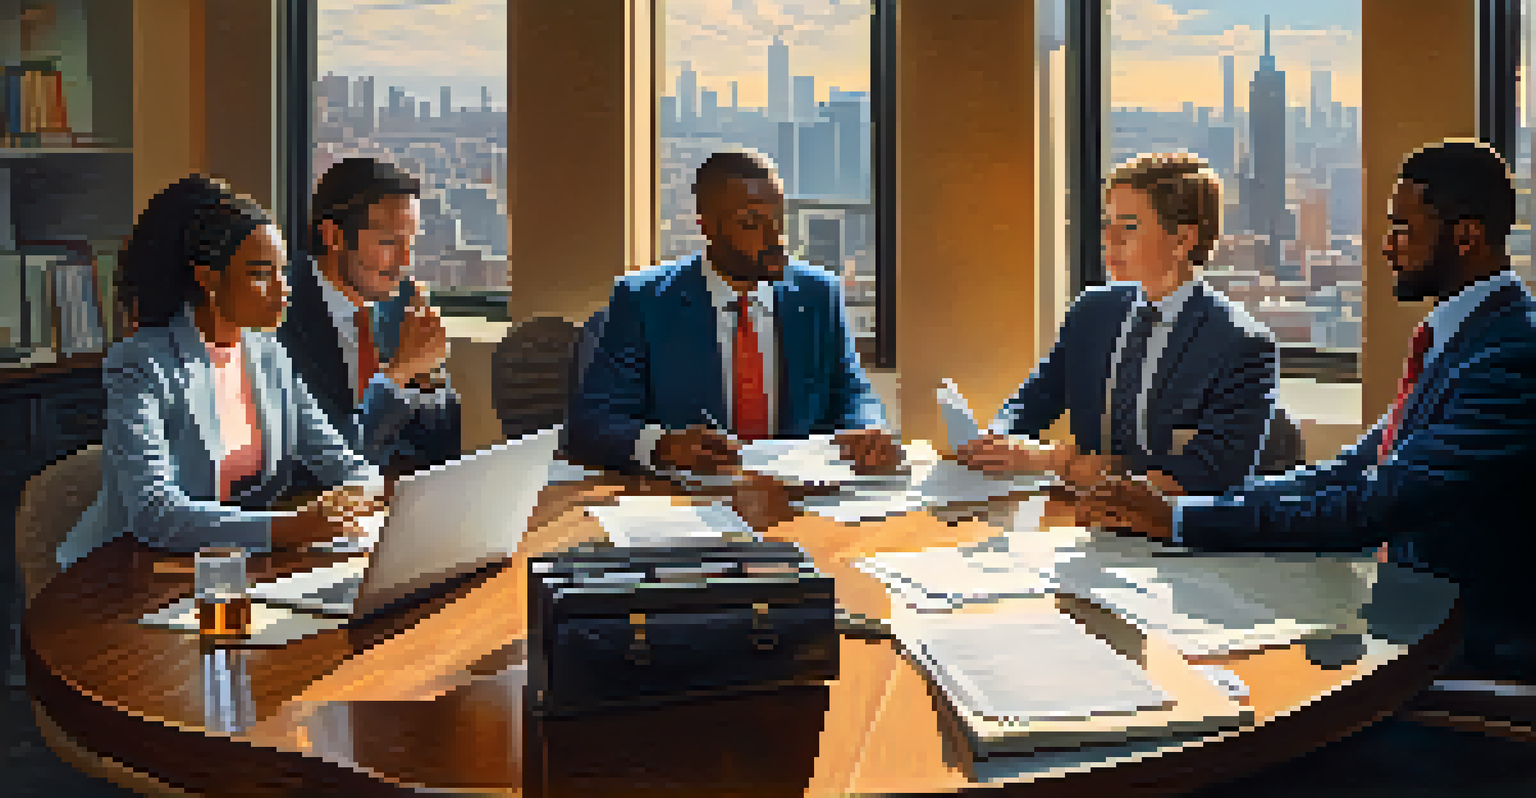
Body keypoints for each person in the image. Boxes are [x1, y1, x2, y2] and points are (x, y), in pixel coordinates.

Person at [1059, 139, 1536, 678]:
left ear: (1466, 236)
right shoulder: (1463, 338)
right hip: (1400, 619)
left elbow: (1377, 504)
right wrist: (1187, 510)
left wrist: (1179, 518)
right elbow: (1352, 469)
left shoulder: (1512, 355)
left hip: (1458, 656)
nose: (1386, 247)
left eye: (1403, 228)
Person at [63, 175, 384, 559]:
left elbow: (346, 464)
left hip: (226, 564)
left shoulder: (270, 356)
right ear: (208, 279)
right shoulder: (141, 363)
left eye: (283, 272)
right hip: (124, 569)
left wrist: (357, 494)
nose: (283, 290)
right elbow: (155, 514)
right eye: (261, 274)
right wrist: (291, 527)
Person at [957, 152, 1280, 496]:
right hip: (1086, 518)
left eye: (1129, 226)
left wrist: (1060, 461)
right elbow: (1034, 399)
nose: (1109, 239)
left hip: (1175, 531)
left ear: (1184, 240)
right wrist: (998, 439)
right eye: (1106, 223)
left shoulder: (1241, 344)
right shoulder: (1093, 311)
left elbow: (1209, 475)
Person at [569, 148, 900, 474]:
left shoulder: (819, 294)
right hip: (684, 501)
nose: (777, 239)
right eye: (752, 223)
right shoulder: (644, 299)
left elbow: (853, 392)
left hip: (798, 500)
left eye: (778, 220)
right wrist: (663, 445)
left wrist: (867, 428)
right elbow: (592, 422)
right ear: (707, 227)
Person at [278, 158, 461, 483]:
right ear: (332, 236)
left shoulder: (401, 305)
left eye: (411, 243)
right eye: (389, 242)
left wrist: (427, 379)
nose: (405, 262)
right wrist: (396, 376)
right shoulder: (279, 315)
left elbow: (441, 455)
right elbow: (321, 467)